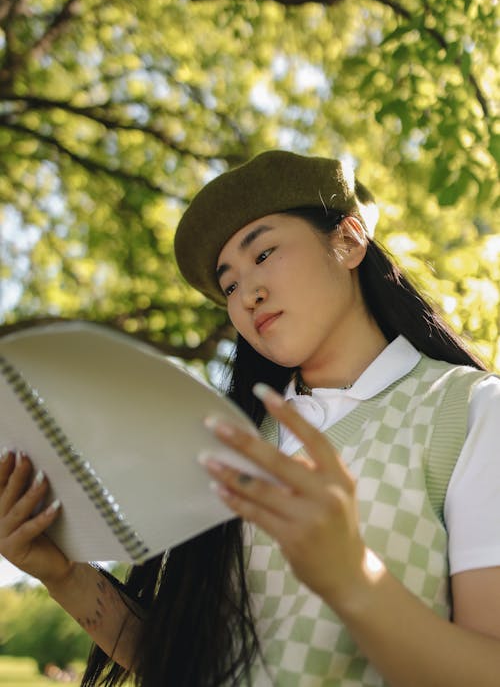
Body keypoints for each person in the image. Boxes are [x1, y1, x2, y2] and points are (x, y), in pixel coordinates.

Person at [0, 150, 499, 687]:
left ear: (350, 241)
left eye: (263, 254)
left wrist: (353, 579)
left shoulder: (469, 410)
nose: (248, 294)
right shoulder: (228, 444)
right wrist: (61, 573)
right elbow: (183, 665)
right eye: (230, 285)